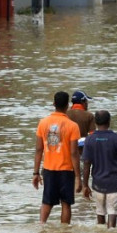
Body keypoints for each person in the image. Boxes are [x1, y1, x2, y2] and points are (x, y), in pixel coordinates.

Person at [81, 110, 117, 228]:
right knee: (112, 212)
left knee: (100, 213)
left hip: (97, 184)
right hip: (114, 183)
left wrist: (85, 185)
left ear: (96, 123)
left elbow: (86, 164)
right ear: (109, 121)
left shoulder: (89, 139)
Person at [33, 91, 82, 224]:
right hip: (66, 170)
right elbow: (74, 153)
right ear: (68, 105)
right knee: (66, 204)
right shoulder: (72, 126)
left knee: (47, 202)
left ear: (54, 104)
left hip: (48, 169)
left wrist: (36, 173)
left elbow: (38, 149)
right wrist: (78, 176)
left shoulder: (43, 123)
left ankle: (41, 227)